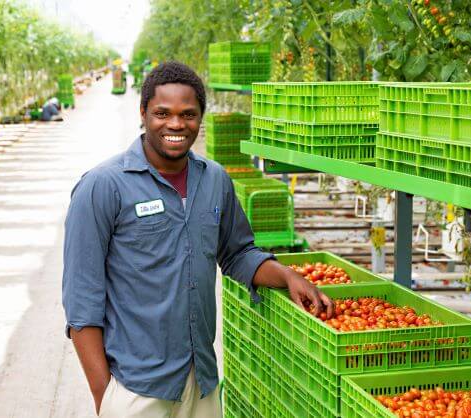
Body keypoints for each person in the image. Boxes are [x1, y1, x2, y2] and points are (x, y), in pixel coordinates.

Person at [62, 61, 333, 418]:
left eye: (188, 114)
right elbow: (82, 301)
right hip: (136, 386)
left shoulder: (215, 180)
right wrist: (107, 397)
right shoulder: (103, 186)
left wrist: (287, 276)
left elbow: (237, 254)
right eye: (162, 113)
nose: (176, 124)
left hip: (201, 381)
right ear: (143, 112)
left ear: (200, 117)